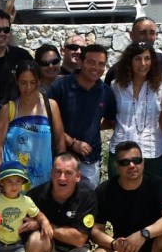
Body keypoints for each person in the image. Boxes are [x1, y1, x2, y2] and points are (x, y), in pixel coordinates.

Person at [23, 152, 98, 252]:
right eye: (58, 172)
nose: (62, 178)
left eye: (68, 173)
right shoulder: (35, 196)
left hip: (75, 251)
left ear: (78, 176)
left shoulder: (88, 196)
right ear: (51, 173)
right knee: (36, 239)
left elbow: (79, 239)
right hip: (47, 250)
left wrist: (45, 225)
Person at [0, 60, 65, 189]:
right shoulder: (8, 109)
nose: (28, 88)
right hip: (13, 181)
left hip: (44, 179)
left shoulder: (51, 106)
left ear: (39, 81)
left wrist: (61, 171)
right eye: (23, 83)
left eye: (32, 82)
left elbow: (60, 143)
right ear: (17, 82)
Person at [48, 44, 114, 186]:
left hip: (90, 161)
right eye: (91, 62)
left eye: (101, 64)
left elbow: (110, 121)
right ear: (81, 61)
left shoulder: (106, 92)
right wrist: (72, 142)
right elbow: (47, 121)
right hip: (60, 158)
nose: (96, 68)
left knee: (87, 204)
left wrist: (92, 127)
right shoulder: (61, 86)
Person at [105, 42, 162, 179]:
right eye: (137, 59)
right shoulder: (116, 87)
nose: (143, 63)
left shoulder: (160, 88)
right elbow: (109, 118)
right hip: (121, 151)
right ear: (129, 62)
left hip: (153, 152)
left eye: (147, 58)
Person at [106, 16, 162, 84]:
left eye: (152, 33)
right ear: (131, 35)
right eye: (142, 33)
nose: (147, 37)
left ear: (156, 36)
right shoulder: (117, 71)